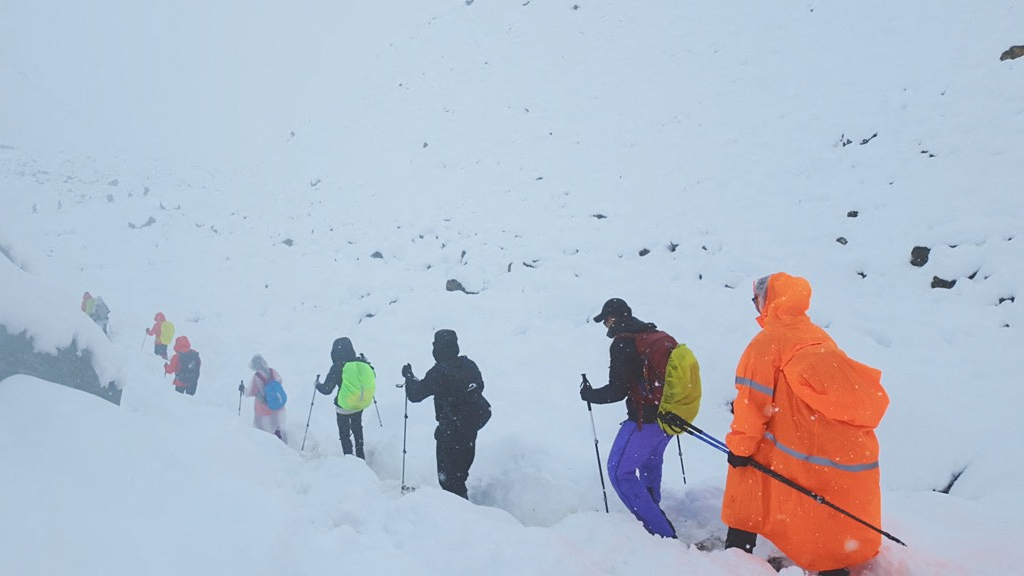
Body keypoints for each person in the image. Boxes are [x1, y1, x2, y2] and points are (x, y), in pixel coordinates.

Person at [721, 273, 889, 576]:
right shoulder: (818, 335)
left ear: (767, 302)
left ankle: (737, 558)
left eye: (756, 301)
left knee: (746, 486)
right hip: (828, 446)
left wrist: (740, 448)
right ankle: (833, 566)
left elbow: (751, 406)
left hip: (791, 444)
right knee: (822, 510)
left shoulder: (766, 344)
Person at [579, 298, 677, 538]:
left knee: (619, 472)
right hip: (668, 418)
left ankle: (661, 532)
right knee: (650, 464)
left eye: (605, 321)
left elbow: (617, 390)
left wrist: (589, 395)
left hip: (644, 420)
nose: (606, 327)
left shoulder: (623, 343)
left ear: (612, 318)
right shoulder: (652, 334)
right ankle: (653, 510)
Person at [402, 329, 491, 499]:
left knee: (449, 480)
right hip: (470, 429)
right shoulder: (469, 365)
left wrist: (409, 377)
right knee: (460, 476)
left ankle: (459, 516)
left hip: (450, 432)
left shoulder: (439, 372)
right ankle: (465, 511)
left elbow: (416, 395)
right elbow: (479, 386)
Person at [316, 337, 375, 459]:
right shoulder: (362, 363)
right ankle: (360, 454)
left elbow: (327, 389)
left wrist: (317, 385)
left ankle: (349, 458)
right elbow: (372, 375)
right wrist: (366, 362)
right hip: (360, 404)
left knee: (344, 434)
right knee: (357, 428)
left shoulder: (338, 367)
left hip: (344, 406)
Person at [240, 354, 287, 443]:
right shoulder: (273, 372)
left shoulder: (257, 377)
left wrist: (243, 390)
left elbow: (249, 392)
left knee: (264, 434)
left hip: (264, 410)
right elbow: (280, 381)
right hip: (279, 406)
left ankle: (271, 449)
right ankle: (282, 441)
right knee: (278, 428)